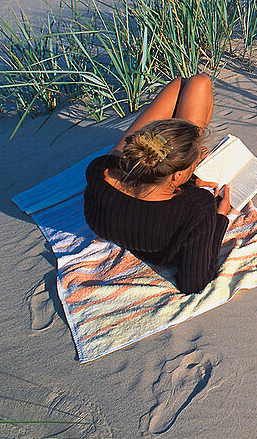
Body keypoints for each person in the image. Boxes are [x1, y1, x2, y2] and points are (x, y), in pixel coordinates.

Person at [84, 74, 233, 294]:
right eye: (194, 165)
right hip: (156, 240)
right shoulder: (196, 208)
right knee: (199, 83)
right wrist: (219, 218)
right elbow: (194, 283)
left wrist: (189, 178)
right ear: (177, 175)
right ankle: (183, 143)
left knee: (183, 84)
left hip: (122, 203)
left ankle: (172, 144)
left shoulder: (101, 171)